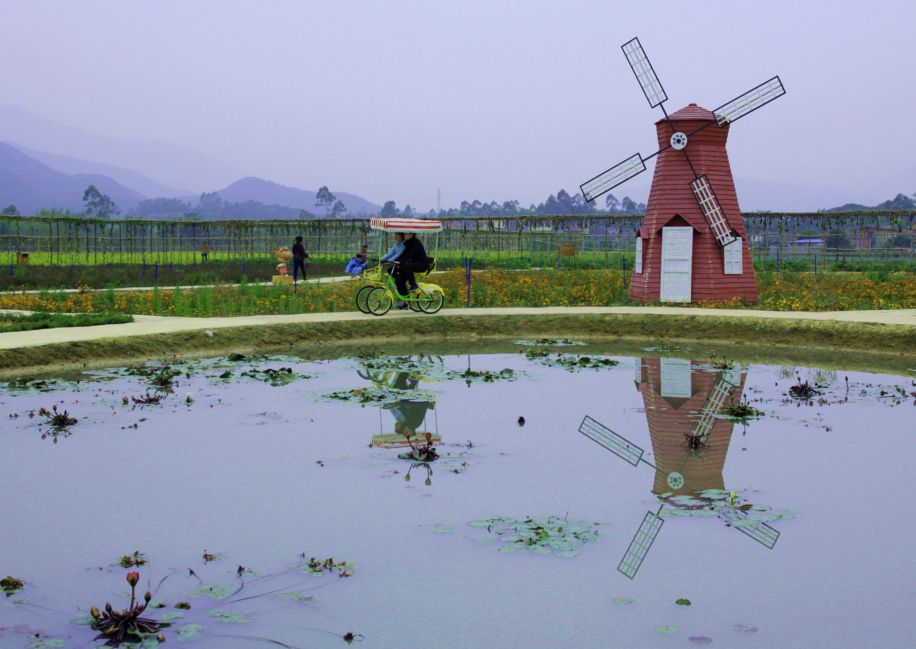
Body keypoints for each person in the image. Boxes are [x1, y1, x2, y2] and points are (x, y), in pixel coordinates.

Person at [393, 232, 428, 308]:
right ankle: (406, 302)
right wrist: (393, 261)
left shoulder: (416, 243)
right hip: (413, 264)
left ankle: (414, 285)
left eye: (405, 234)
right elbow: (403, 255)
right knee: (399, 280)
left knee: (407, 265)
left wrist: (399, 262)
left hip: (422, 264)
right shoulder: (408, 243)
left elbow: (409, 255)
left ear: (411, 234)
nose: (404, 235)